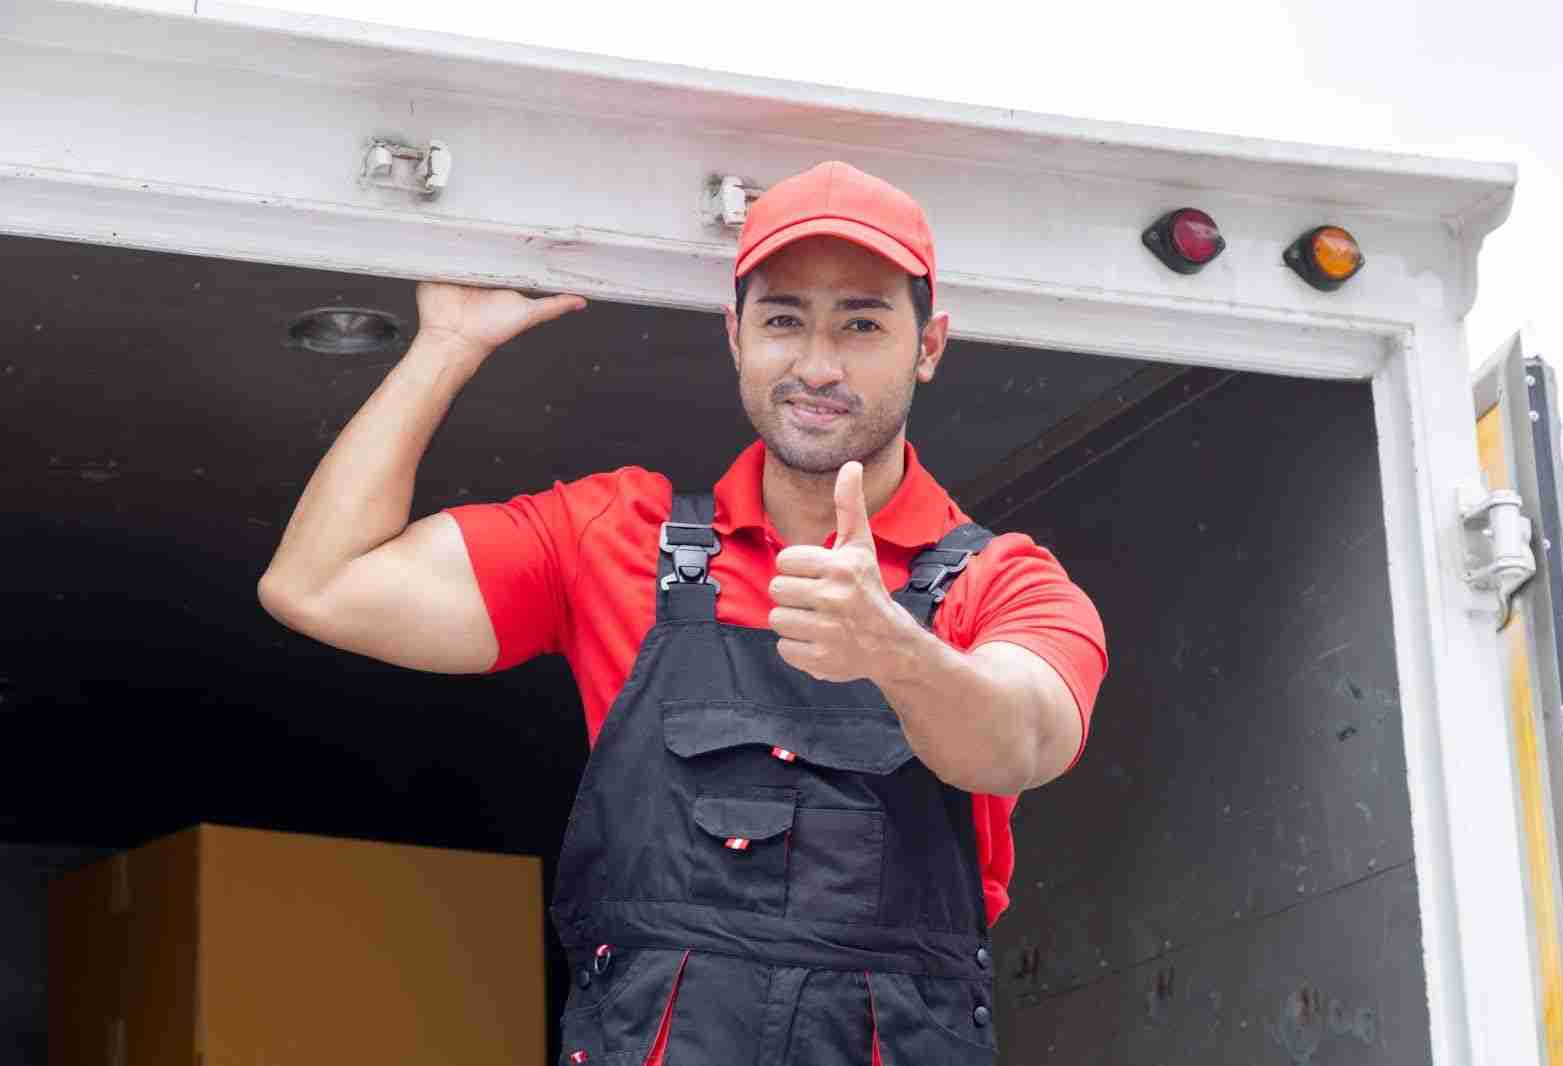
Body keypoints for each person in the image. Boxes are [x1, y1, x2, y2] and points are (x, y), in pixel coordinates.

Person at [258, 160, 1107, 1065]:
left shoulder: (1004, 580)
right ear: (734, 335)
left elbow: (1024, 741)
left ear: (929, 345)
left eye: (862, 323)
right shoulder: (614, 536)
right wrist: (447, 348)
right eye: (784, 320)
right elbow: (320, 583)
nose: (818, 365)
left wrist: (896, 650)